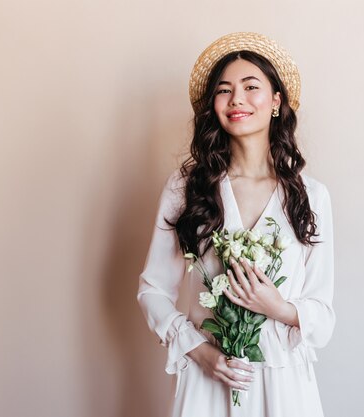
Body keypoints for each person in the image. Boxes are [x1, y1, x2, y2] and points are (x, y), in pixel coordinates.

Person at [137, 32, 335, 417]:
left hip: (285, 388)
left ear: (276, 101)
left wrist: (277, 307)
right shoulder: (186, 189)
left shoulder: (311, 196)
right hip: (208, 384)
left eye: (250, 87)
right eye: (224, 91)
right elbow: (153, 290)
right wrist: (200, 351)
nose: (237, 99)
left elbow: (323, 320)